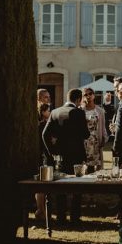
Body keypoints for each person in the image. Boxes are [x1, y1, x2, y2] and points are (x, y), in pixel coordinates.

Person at [42, 88, 90, 223]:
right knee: (77, 185)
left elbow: (44, 134)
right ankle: (75, 216)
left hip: (60, 155)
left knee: (60, 186)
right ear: (78, 99)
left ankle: (61, 216)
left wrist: (51, 152)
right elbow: (85, 134)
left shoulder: (55, 112)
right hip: (76, 155)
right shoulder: (78, 112)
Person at [80, 87, 107, 173]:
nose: (88, 96)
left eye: (90, 93)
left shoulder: (100, 111)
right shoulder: (80, 111)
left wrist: (103, 137)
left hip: (96, 140)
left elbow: (103, 126)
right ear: (83, 97)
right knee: (86, 166)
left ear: (94, 95)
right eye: (85, 94)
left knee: (97, 166)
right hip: (85, 141)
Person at [35, 102, 52, 220]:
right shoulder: (43, 125)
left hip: (39, 155)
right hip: (43, 156)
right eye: (48, 110)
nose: (50, 112)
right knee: (42, 186)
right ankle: (41, 210)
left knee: (39, 187)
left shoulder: (38, 125)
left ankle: (40, 210)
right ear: (43, 112)